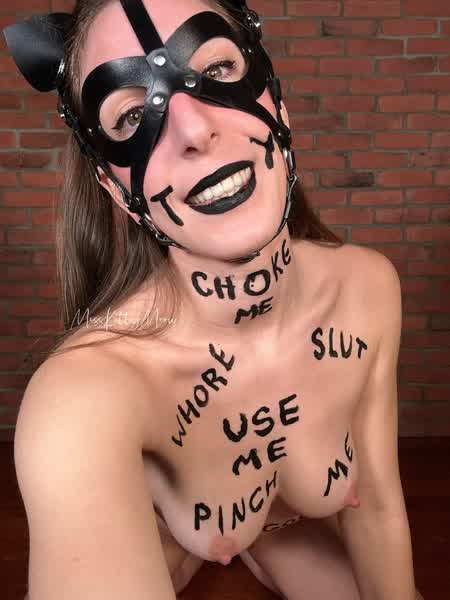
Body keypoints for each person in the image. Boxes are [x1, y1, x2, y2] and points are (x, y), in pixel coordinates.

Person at [5, 0, 423, 598]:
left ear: (276, 102)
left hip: (287, 531)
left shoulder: (367, 291)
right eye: (132, 116)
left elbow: (377, 506)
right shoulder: (82, 400)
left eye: (218, 70)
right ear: (118, 191)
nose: (195, 129)